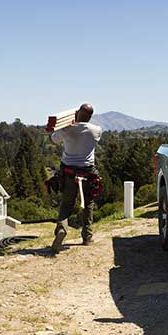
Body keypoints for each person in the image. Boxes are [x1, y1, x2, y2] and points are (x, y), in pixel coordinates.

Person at [49, 104, 102, 253]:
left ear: (77, 113)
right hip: (87, 172)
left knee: (66, 204)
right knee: (88, 203)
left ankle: (61, 229)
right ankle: (87, 237)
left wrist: (66, 125)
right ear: (90, 116)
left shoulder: (67, 130)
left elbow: (53, 139)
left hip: (69, 172)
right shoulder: (96, 130)